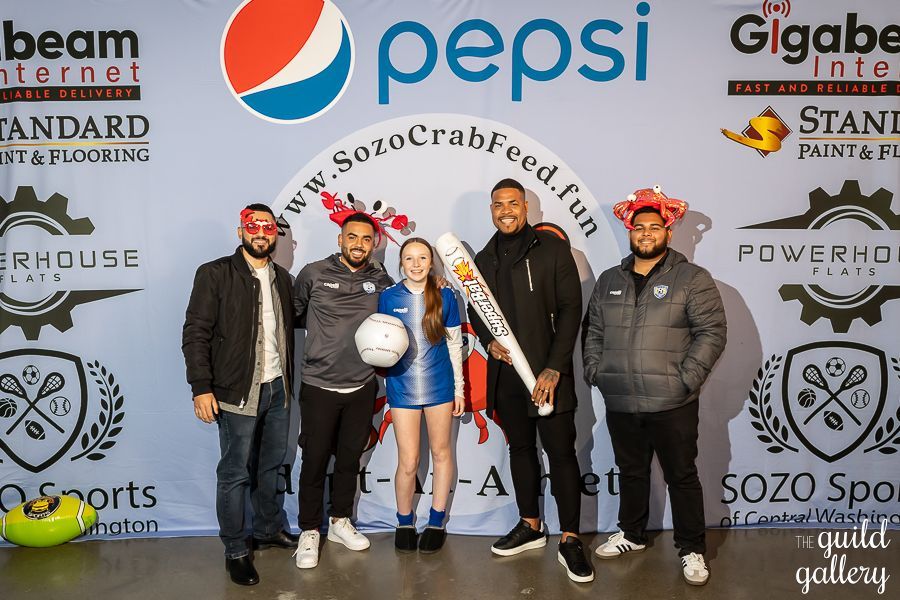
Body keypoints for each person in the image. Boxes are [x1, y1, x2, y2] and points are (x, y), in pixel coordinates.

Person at [582, 186, 727, 586]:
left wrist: (688, 379)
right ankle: (632, 533)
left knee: (681, 475)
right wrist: (596, 369)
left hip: (673, 401)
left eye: (654, 227)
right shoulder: (611, 279)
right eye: (639, 228)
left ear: (668, 231)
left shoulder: (692, 279)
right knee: (631, 471)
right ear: (630, 232)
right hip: (621, 399)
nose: (646, 234)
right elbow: (593, 329)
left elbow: (712, 332)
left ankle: (692, 548)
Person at [467, 178, 593, 583]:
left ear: (525, 207)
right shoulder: (483, 259)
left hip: (549, 376)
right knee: (520, 450)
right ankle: (531, 525)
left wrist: (554, 367)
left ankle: (571, 538)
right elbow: (476, 309)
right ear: (491, 209)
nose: (506, 210)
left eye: (513, 203)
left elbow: (572, 309)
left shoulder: (553, 250)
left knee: (561, 455)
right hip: (507, 378)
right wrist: (488, 342)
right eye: (498, 204)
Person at [182, 204, 297, 586]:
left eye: (267, 227)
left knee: (269, 465)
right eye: (253, 226)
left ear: (275, 235)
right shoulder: (215, 273)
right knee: (234, 473)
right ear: (240, 231)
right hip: (236, 391)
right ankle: (236, 550)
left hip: (277, 387)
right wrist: (201, 388)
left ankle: (267, 529)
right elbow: (195, 332)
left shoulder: (283, 277)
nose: (260, 233)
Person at [292, 212, 394, 569]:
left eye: (366, 239)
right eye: (352, 237)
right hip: (319, 385)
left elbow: (397, 311)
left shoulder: (380, 277)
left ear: (375, 243)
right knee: (316, 459)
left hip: (362, 385)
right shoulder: (313, 273)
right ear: (340, 239)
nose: (359, 245)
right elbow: (294, 314)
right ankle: (308, 530)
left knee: (350, 459)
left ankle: (339, 521)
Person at [378, 238, 465, 553]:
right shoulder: (388, 297)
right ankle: (404, 520)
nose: (416, 264)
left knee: (442, 454)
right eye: (409, 258)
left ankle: (436, 520)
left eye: (422, 258)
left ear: (432, 262)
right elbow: (381, 342)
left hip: (439, 387)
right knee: (409, 460)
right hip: (402, 386)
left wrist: (459, 390)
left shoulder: (445, 295)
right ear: (401, 263)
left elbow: (455, 346)